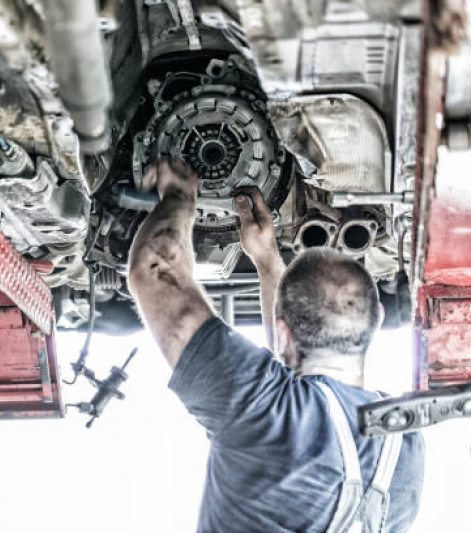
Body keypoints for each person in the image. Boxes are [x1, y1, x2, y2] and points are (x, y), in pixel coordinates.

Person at [127, 160, 424, 533]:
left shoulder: (265, 406)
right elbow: (295, 399)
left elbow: (155, 271)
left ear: (281, 334)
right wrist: (267, 262)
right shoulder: (403, 444)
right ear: (377, 317)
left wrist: (180, 194)